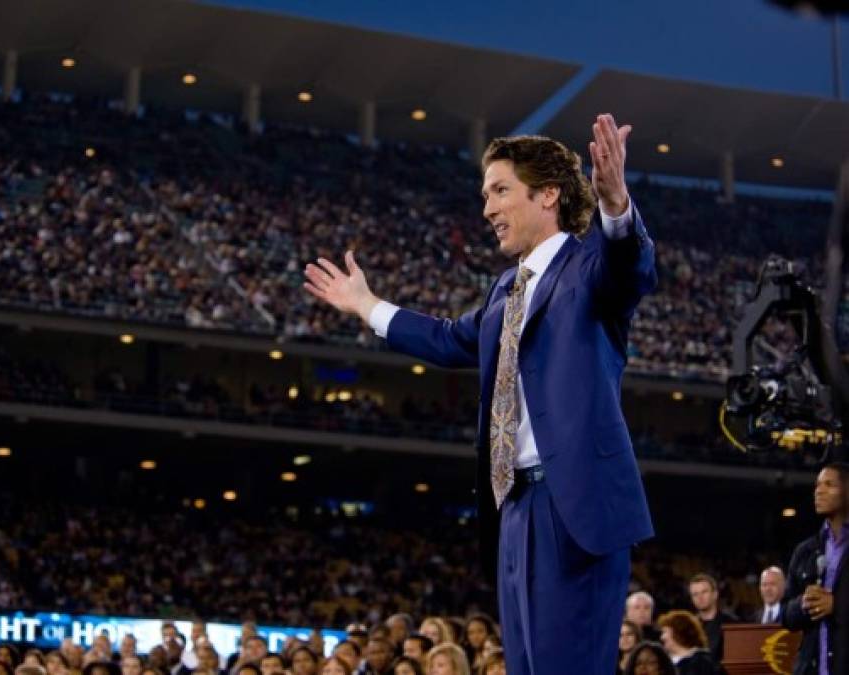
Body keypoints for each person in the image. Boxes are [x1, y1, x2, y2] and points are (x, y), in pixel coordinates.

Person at [304, 115, 655, 675]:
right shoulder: (503, 291)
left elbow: (629, 266)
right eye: (484, 194)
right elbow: (449, 340)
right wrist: (367, 305)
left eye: (499, 191)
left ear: (547, 195)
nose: (487, 209)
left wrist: (615, 203)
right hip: (515, 507)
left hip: (575, 509)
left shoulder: (589, 266)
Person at [783, 462, 849, 675]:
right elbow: (785, 615)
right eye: (817, 485)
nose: (819, 491)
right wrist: (803, 604)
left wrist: (837, 606)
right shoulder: (805, 550)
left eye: (829, 484)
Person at [688, 573, 736, 665]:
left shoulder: (731, 624)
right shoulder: (689, 626)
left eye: (704, 592)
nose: (700, 597)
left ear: (715, 594)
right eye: (695, 594)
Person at [657, 611, 714, 675]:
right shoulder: (662, 663)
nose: (662, 637)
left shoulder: (703, 661)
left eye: (665, 632)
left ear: (677, 633)